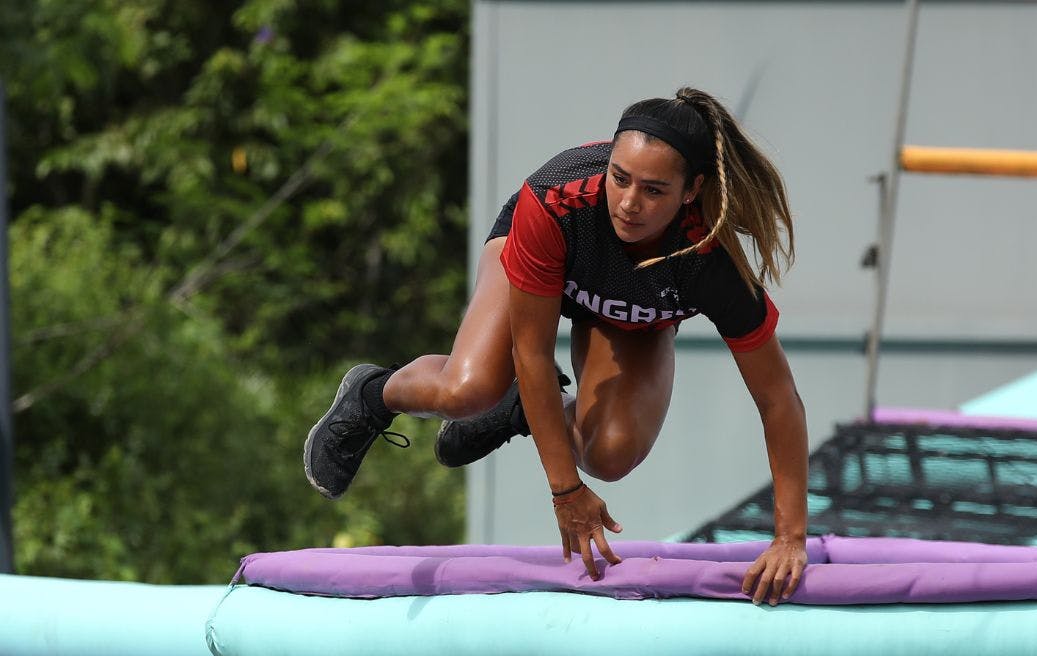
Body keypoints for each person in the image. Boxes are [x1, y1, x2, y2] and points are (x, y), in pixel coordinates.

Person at [304, 86, 809, 606]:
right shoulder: (556, 199)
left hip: (631, 314)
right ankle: (373, 393)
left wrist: (790, 538)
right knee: (468, 390)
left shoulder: (711, 260)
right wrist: (565, 490)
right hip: (547, 257)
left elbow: (778, 399)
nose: (629, 204)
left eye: (654, 191)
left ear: (690, 191)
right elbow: (532, 355)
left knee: (611, 453)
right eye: (619, 178)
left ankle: (519, 410)